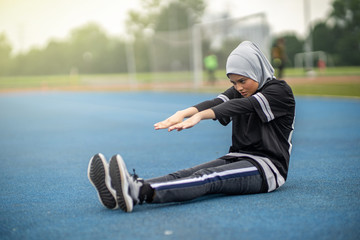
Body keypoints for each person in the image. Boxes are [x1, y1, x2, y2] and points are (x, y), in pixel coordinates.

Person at [87, 41, 296, 213]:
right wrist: (183, 113)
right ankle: (119, 191)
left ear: (256, 70)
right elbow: (217, 102)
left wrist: (201, 117)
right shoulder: (241, 90)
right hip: (238, 156)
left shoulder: (279, 91)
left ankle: (138, 192)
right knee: (185, 173)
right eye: (233, 83)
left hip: (267, 167)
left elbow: (241, 106)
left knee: (207, 179)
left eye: (242, 81)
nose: (238, 88)